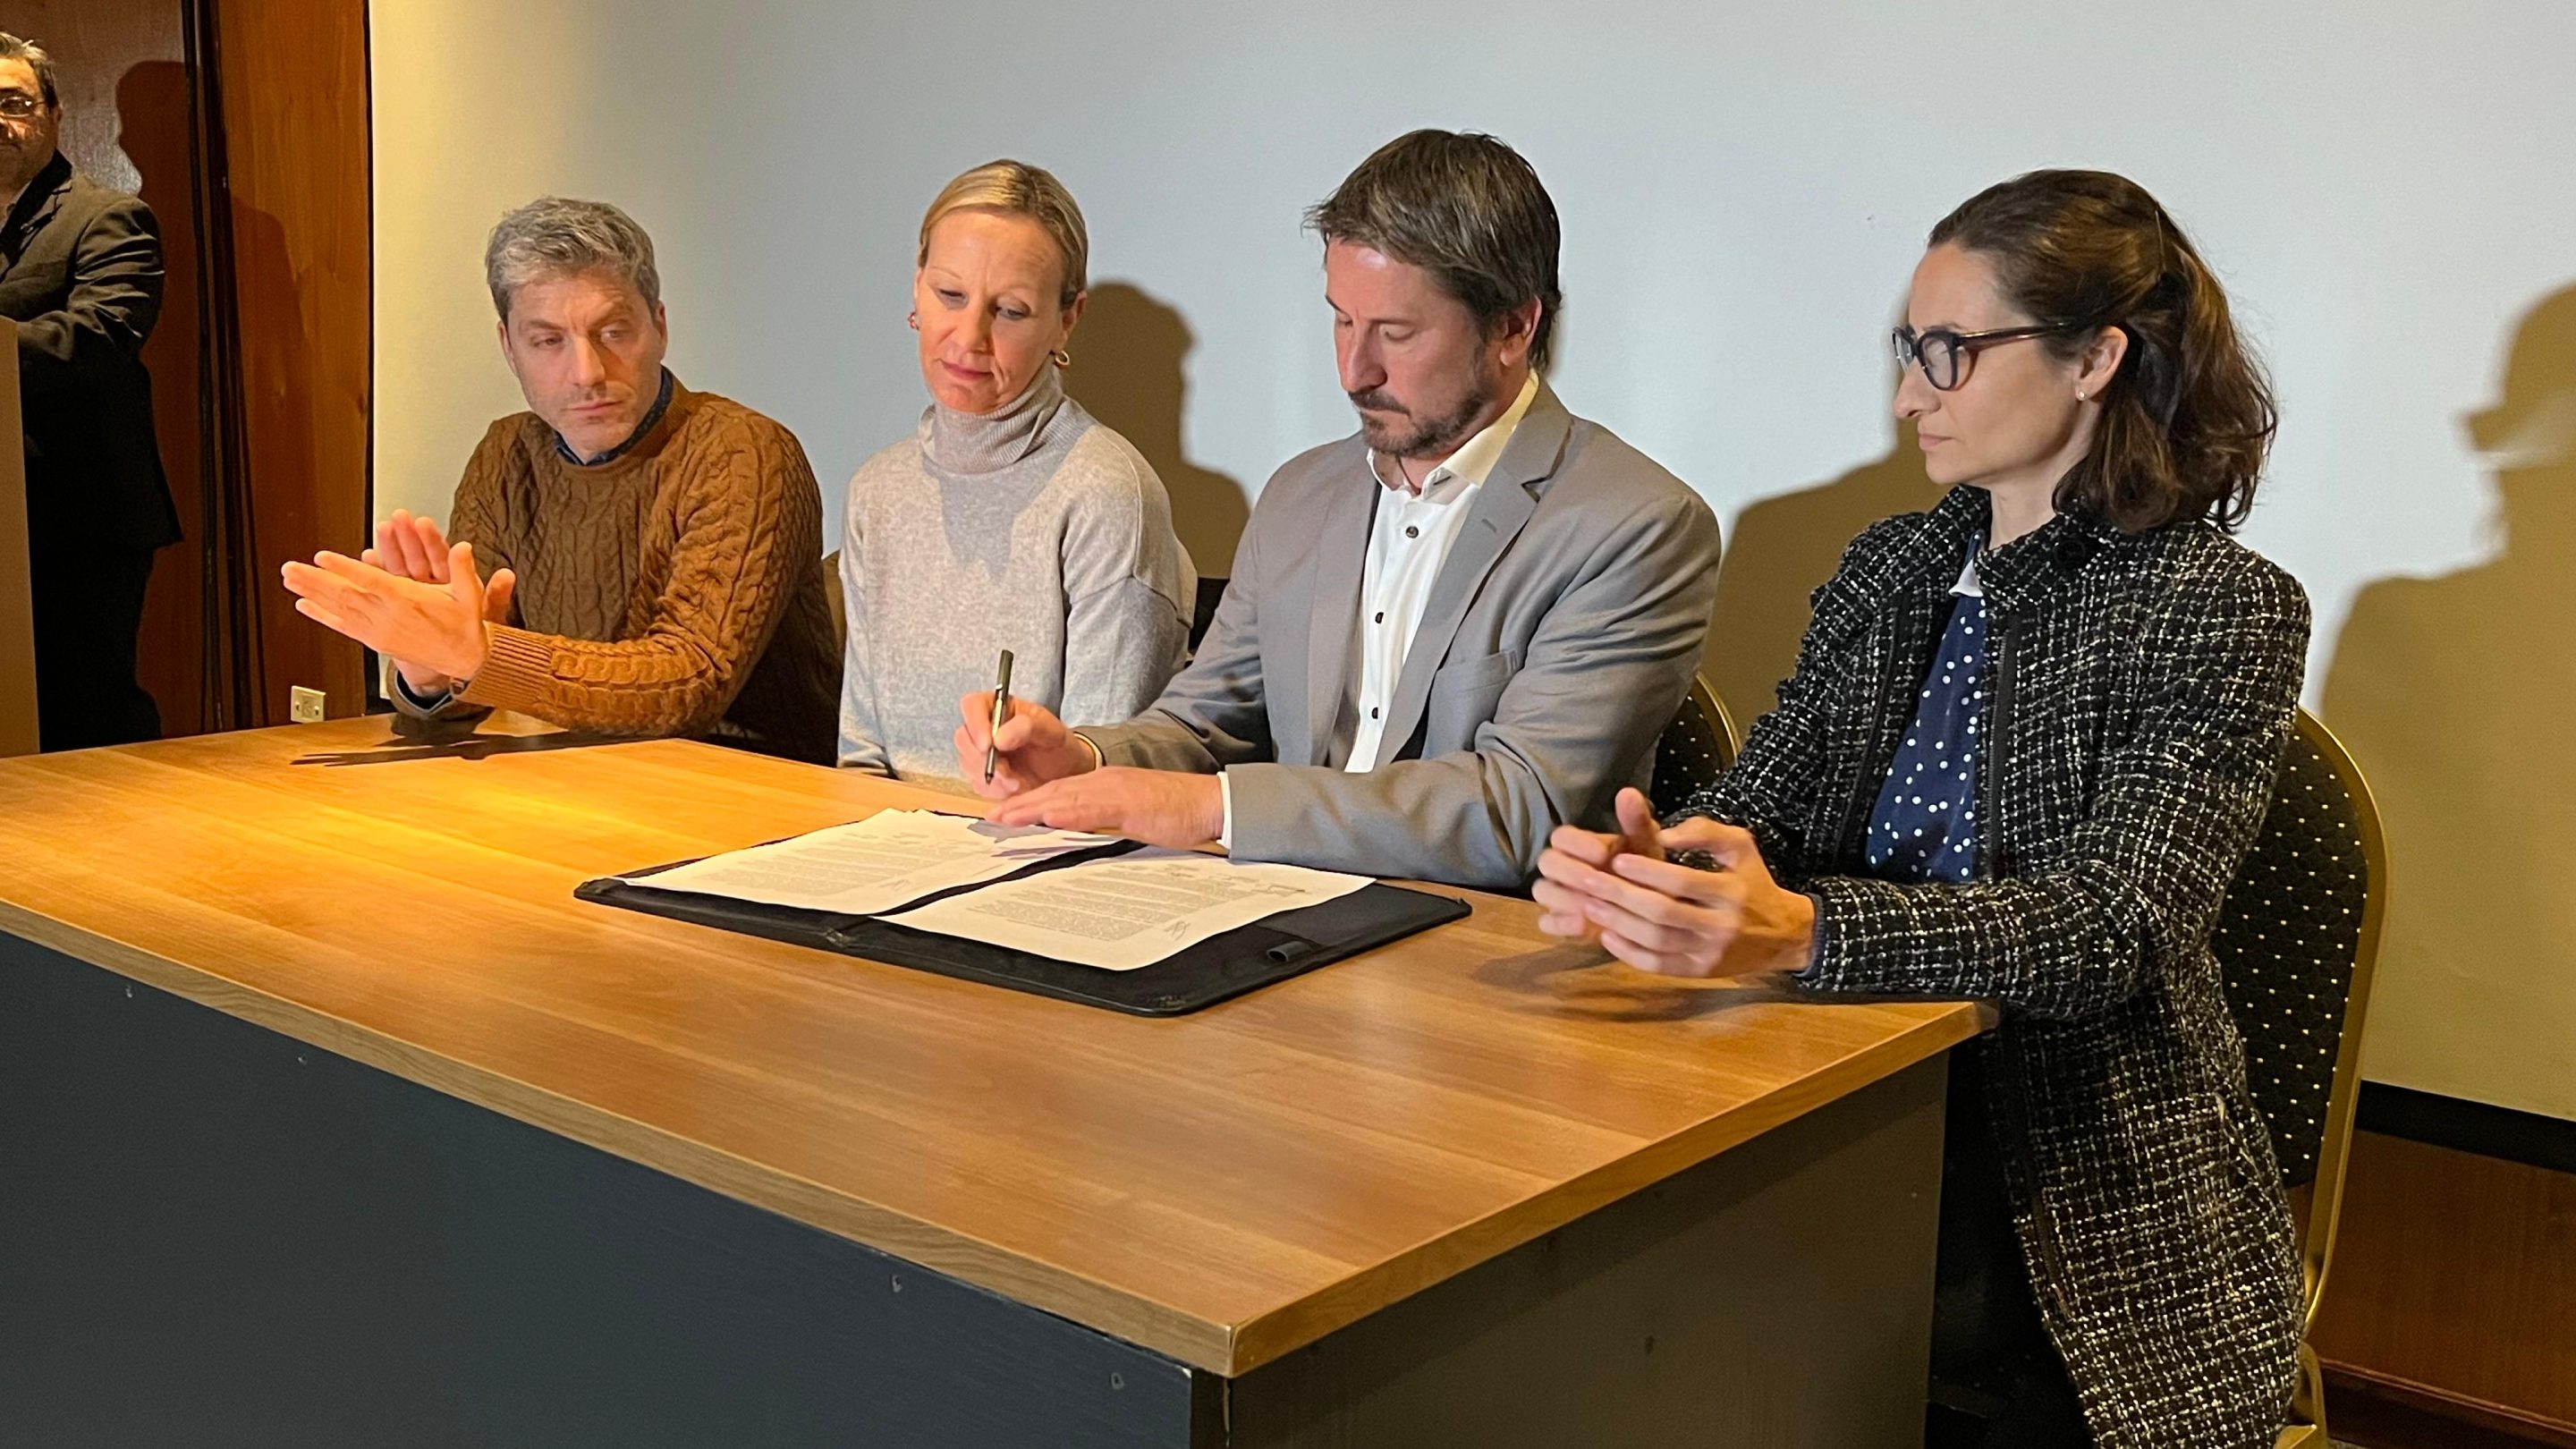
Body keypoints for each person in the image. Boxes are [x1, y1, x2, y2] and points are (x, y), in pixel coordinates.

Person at [1532, 170, 2308, 1447]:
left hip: (2075, 1200)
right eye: (1909, 349)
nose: (1907, 396)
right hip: (1828, 1111)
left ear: (2095, 359)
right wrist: (1658, 871)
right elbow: (1761, 809)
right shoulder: (1897, 564)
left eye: (1950, 351)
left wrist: (1804, 934)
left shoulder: (2215, 602)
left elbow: (2112, 930)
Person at [961, 130, 1721, 890]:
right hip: (1283, 917)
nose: (1356, 371)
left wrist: (1215, 808)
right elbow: (1204, 725)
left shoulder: (1636, 525)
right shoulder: (1300, 495)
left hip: (1489, 941)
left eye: (1396, 333)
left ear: (1513, 328)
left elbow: (1516, 809)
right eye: (1342, 320)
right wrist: (1084, 760)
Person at [282, 197, 838, 762]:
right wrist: (429, 672)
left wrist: (479, 656)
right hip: (568, 770)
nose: (587, 373)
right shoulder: (506, 454)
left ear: (659, 327)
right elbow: (477, 671)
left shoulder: (741, 451)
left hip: (748, 778)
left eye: (614, 332)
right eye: (548, 341)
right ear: (509, 348)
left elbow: (691, 679)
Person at [838, 159, 1191, 789]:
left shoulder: (1108, 495)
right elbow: (860, 757)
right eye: (950, 296)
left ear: (1066, 320)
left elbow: (1100, 785)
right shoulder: (877, 491)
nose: (969, 336)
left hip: (1041, 835)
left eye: (1010, 310)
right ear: (916, 288)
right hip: (880, 834)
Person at [0, 32, 182, 750]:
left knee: (87, 710)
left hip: (79, 517)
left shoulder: (107, 217)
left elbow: (102, 334)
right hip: (5, 512)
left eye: (14, 103)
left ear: (54, 113)